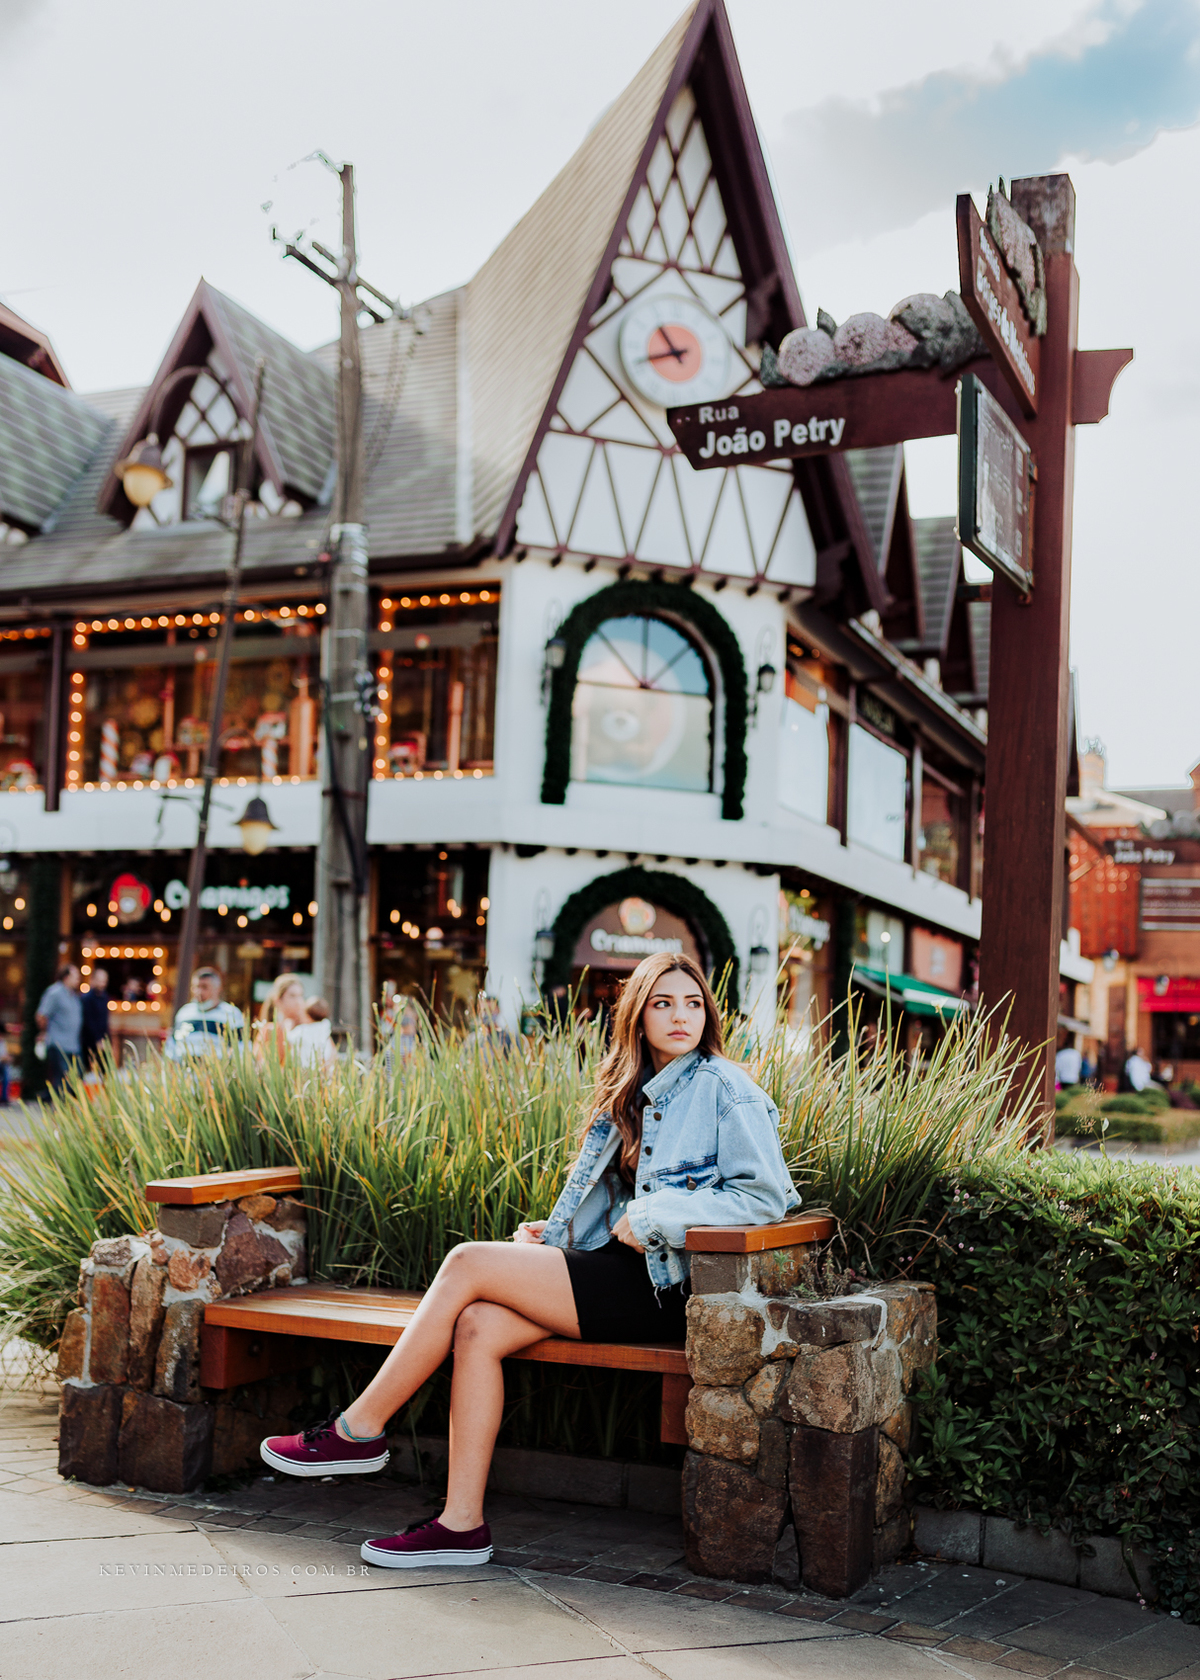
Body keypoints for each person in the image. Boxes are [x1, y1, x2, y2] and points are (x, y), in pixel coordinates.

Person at [260, 951, 799, 1570]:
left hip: (669, 1289)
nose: (682, 1017)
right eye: (663, 1003)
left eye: (693, 1003)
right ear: (637, 1017)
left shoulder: (726, 1088)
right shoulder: (629, 1092)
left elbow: (765, 1197)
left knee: (466, 1262)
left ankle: (357, 1430)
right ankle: (460, 1527)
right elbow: (624, 1202)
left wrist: (657, 1219)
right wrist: (560, 1232)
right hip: (620, 1276)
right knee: (478, 1326)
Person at [168, 967, 245, 1059]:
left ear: (218, 989)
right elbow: (172, 1045)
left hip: (216, 1070)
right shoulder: (184, 1013)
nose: (199, 992)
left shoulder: (231, 1014)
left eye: (204, 987)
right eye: (196, 987)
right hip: (184, 1069)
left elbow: (241, 1048)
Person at [36, 962, 83, 1093]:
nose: (78, 980)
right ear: (66, 977)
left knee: (76, 1076)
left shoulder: (74, 995)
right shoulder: (54, 992)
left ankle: (61, 1105)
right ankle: (57, 1107)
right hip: (58, 1044)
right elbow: (41, 1015)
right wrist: (43, 1032)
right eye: (76, 977)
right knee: (62, 1078)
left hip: (73, 1045)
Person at [80, 966, 112, 1070]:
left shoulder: (104, 997)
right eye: (100, 980)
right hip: (90, 1041)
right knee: (86, 1069)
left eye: (104, 980)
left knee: (106, 1070)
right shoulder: (87, 998)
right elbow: (89, 1021)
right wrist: (97, 1039)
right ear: (93, 980)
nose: (103, 983)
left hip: (103, 1040)